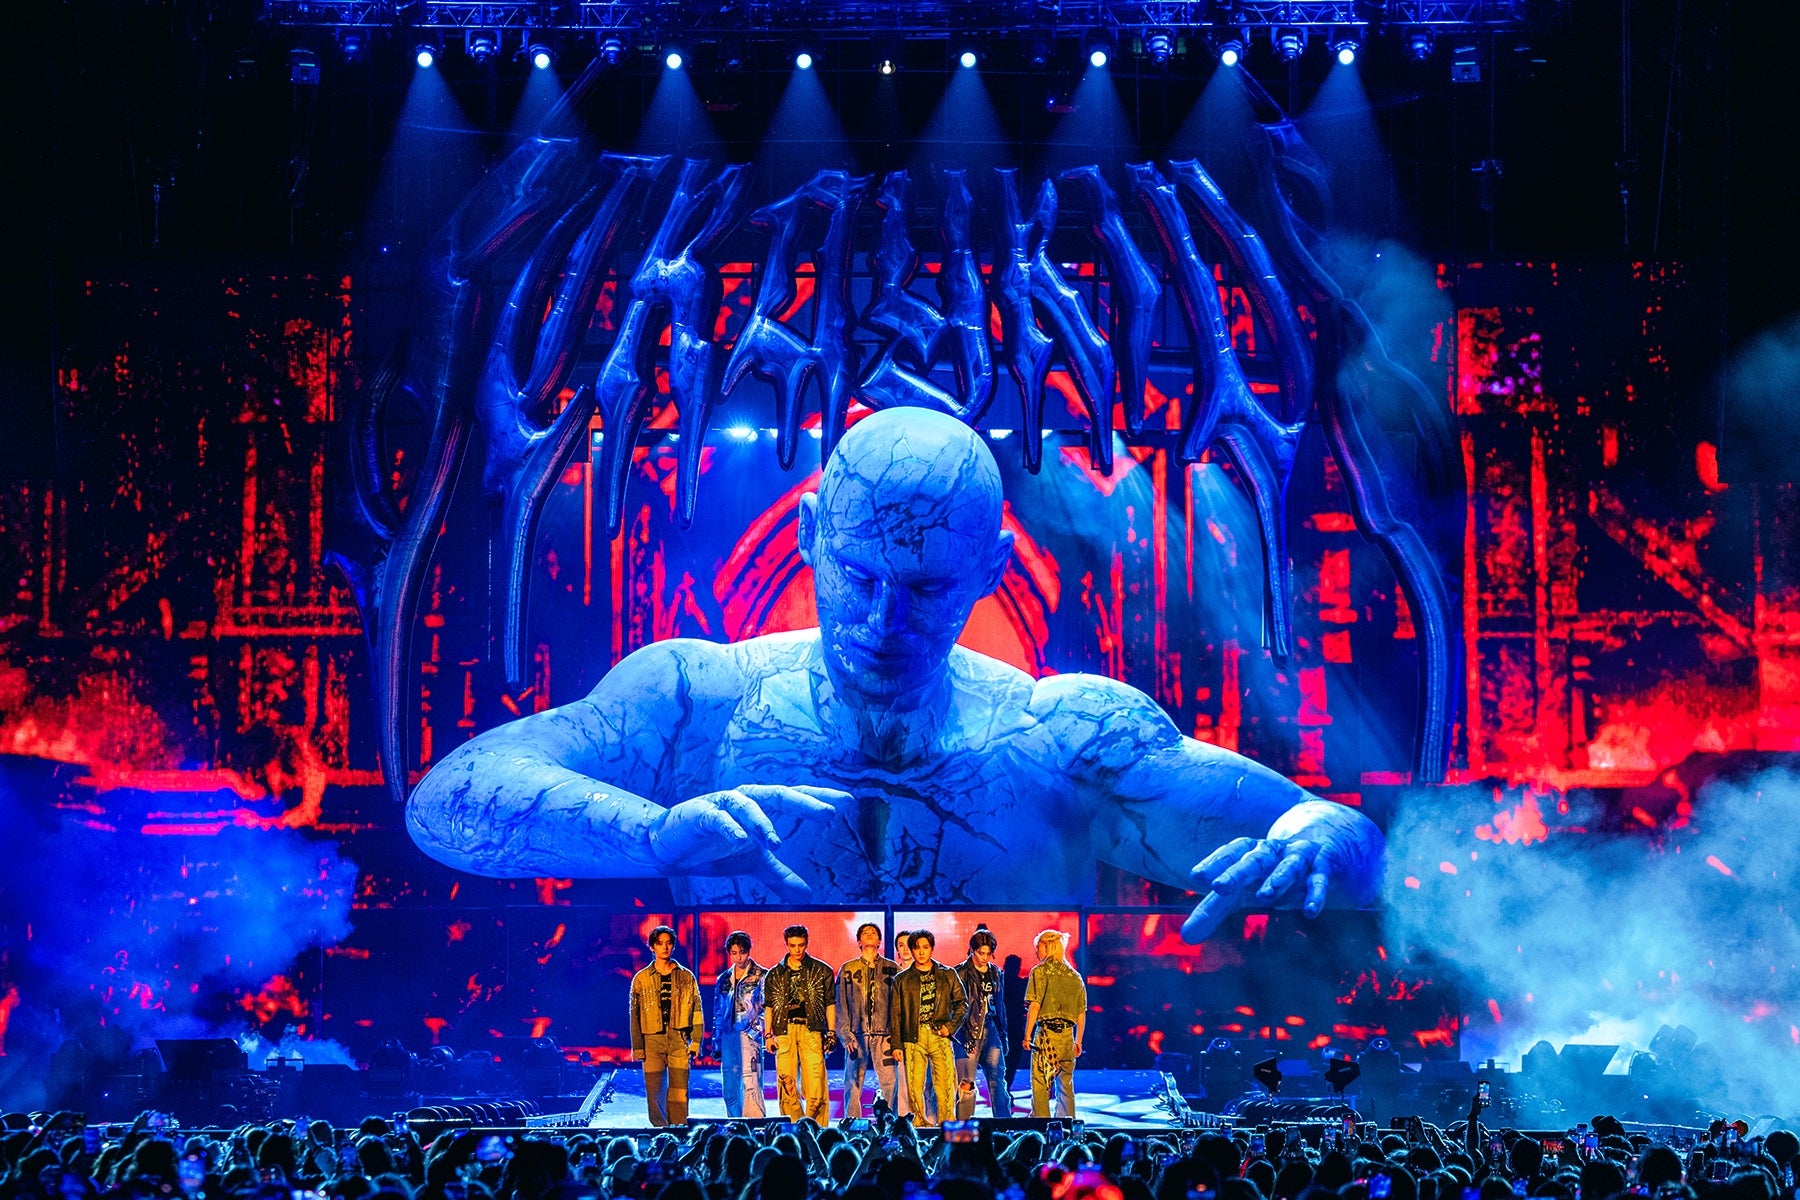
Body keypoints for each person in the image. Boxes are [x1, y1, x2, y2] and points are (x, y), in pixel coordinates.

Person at [407, 407, 1385, 945]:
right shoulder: (698, 700)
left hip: (996, 1139)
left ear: (992, 570)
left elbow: (1331, 835)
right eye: (859, 575)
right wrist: (653, 837)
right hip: (749, 1132)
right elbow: (449, 798)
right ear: (809, 537)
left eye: (924, 587)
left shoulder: (1066, 737)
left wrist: (1324, 843)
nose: (883, 620)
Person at [628, 924, 704, 1126]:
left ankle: (678, 1130)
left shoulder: (686, 976)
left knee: (680, 1091)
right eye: (660, 943)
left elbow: (697, 1010)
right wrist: (638, 1047)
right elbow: (634, 1015)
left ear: (673, 946)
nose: (665, 947)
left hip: (679, 1039)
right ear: (652, 947)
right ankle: (660, 1133)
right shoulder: (641, 979)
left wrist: (696, 1041)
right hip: (652, 1040)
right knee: (654, 1091)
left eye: (668, 943)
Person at [761, 924, 837, 1123]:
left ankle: (816, 1129)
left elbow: (830, 1003)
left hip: (812, 1030)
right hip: (784, 1031)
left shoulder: (822, 970)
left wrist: (831, 1033)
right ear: (786, 944)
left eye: (801, 945)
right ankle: (794, 1128)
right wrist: (768, 1035)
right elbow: (769, 1006)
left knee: (816, 1083)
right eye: (793, 945)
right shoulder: (774, 974)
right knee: (786, 1082)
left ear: (807, 943)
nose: (797, 950)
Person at [891, 929, 966, 1128]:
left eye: (926, 947)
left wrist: (950, 1027)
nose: (921, 952)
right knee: (914, 1086)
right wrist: (896, 1044)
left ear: (932, 948)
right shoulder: (902, 979)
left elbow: (962, 1003)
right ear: (911, 950)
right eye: (917, 948)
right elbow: (895, 1014)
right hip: (913, 1037)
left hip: (939, 1035)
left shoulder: (947, 974)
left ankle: (947, 1125)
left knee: (946, 1084)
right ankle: (919, 1125)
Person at [837, 921, 900, 1120]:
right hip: (857, 1034)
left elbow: (899, 1006)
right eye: (865, 932)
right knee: (853, 1082)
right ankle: (852, 1125)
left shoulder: (893, 969)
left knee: (890, 1083)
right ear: (858, 941)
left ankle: (889, 1124)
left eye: (874, 932)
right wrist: (846, 1035)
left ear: (880, 941)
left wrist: (897, 1037)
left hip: (885, 1035)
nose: (870, 934)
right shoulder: (848, 969)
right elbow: (840, 1004)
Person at [1024, 928, 1086, 1119]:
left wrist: (1027, 1036)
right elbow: (1081, 1013)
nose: (1036, 952)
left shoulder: (1039, 972)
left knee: (1041, 1083)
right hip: (1068, 1038)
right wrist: (1078, 1041)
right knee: (1066, 1084)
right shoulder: (1075, 976)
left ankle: (1042, 1126)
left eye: (1038, 947)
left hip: (1046, 1037)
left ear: (1047, 946)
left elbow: (1035, 1006)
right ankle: (1067, 1126)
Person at [952, 924, 1012, 1119]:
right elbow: (954, 1006)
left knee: (998, 1080)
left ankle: (1004, 1126)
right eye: (981, 953)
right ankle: (964, 1128)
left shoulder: (996, 973)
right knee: (966, 1083)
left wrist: (1003, 1035)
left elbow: (1000, 1006)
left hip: (991, 1028)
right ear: (972, 950)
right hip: (967, 1031)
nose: (985, 957)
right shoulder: (960, 972)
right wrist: (959, 1032)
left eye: (988, 953)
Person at [713, 929, 767, 1118]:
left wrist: (754, 1032)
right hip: (728, 1036)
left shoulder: (761, 975)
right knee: (730, 1086)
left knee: (751, 1083)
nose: (738, 957)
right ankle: (735, 1123)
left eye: (742, 952)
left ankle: (755, 1126)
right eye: (734, 953)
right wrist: (717, 1042)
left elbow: (767, 1009)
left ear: (749, 951)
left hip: (749, 1035)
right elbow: (718, 1011)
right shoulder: (723, 979)